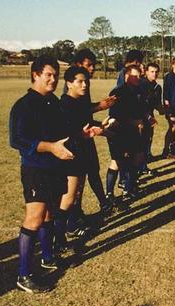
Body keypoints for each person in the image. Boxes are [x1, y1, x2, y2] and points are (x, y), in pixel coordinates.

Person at [9, 56, 89, 293]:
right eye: (48, 75)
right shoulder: (24, 105)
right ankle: (24, 275)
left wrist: (82, 134)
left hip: (55, 167)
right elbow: (17, 140)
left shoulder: (52, 102)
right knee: (35, 217)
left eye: (55, 75)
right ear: (35, 75)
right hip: (35, 168)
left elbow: (62, 132)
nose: (53, 79)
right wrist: (50, 147)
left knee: (49, 214)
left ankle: (47, 257)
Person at [63, 49, 116, 228]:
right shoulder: (72, 91)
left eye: (93, 65)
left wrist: (99, 126)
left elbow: (83, 114)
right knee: (75, 186)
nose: (92, 69)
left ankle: (100, 205)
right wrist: (100, 107)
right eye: (88, 65)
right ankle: (71, 222)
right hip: (76, 143)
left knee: (91, 172)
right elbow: (76, 115)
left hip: (85, 138)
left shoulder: (83, 86)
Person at [57, 66, 105, 247]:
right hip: (71, 155)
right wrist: (82, 133)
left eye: (86, 81)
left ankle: (71, 226)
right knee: (69, 197)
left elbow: (87, 124)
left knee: (76, 194)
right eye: (80, 81)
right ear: (69, 83)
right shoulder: (65, 104)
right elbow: (66, 132)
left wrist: (101, 127)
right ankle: (59, 238)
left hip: (82, 152)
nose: (85, 85)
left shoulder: (81, 103)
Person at [105, 65, 147, 202]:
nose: (138, 78)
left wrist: (145, 118)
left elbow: (141, 109)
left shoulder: (139, 90)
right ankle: (109, 194)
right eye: (135, 76)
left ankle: (129, 188)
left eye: (139, 76)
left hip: (133, 131)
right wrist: (132, 121)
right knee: (117, 162)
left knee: (138, 157)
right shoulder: (118, 92)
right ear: (127, 76)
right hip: (119, 132)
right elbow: (114, 116)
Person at [140, 62, 164, 165]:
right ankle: (140, 167)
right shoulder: (141, 85)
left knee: (148, 139)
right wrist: (147, 116)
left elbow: (157, 105)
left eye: (156, 72)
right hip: (139, 118)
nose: (154, 74)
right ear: (146, 72)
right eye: (152, 71)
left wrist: (169, 110)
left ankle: (145, 161)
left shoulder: (157, 87)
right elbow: (138, 104)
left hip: (150, 118)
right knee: (139, 142)